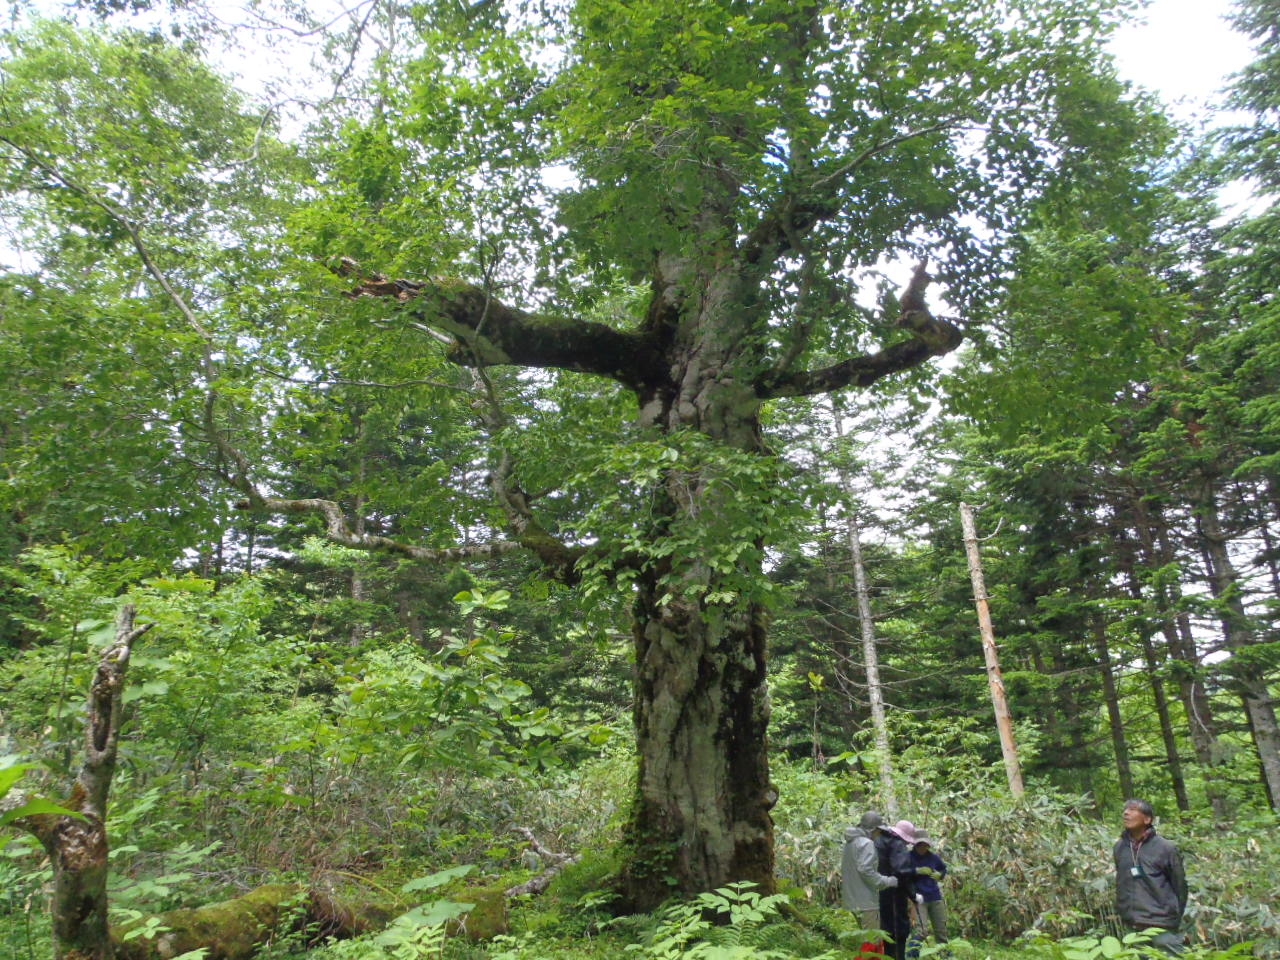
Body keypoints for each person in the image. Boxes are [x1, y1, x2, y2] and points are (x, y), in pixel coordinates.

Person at [1114, 798, 1188, 955]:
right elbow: (1121, 881)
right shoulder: (1120, 847)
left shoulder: (1165, 848)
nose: (1126, 813)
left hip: (1161, 924)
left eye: (1132, 810)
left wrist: (1174, 917)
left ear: (1147, 819)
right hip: (1133, 925)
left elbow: (1180, 886)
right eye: (1125, 810)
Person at [842, 811, 900, 950]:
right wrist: (887, 881)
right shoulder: (866, 844)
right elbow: (865, 870)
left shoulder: (850, 843)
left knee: (863, 942)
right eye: (879, 832)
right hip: (866, 902)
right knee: (872, 944)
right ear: (873, 830)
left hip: (853, 901)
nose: (879, 836)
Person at [875, 817, 919, 960]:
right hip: (894, 895)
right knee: (898, 931)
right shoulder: (897, 845)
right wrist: (913, 894)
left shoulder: (880, 840)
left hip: (880, 893)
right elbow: (902, 872)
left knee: (886, 931)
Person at [908, 828, 949, 944]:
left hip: (935, 896)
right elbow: (901, 872)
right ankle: (912, 954)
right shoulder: (908, 857)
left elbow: (943, 868)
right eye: (921, 845)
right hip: (918, 897)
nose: (923, 848)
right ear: (916, 845)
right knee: (921, 931)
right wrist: (916, 871)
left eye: (926, 845)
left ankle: (944, 955)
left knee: (941, 929)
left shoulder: (933, 857)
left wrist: (939, 875)